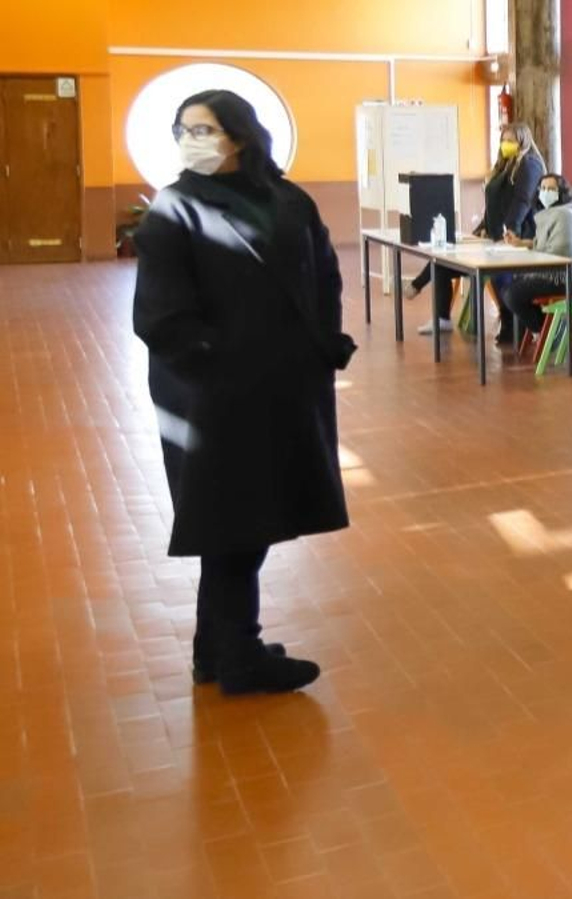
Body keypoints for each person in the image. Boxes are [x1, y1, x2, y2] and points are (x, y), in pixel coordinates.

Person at [132, 90, 356, 695]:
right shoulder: (173, 208)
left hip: (282, 389)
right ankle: (241, 655)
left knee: (246, 518)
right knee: (232, 519)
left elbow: (324, 275)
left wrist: (323, 342)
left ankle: (217, 648)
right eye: (182, 130)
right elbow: (159, 316)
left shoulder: (288, 200)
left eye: (203, 129)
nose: (190, 140)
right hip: (213, 396)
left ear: (239, 135)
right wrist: (218, 364)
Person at [408, 122, 545, 341]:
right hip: (494, 237)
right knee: (443, 262)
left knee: (500, 274)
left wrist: (511, 232)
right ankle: (441, 317)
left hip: (517, 237)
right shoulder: (504, 165)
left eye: (510, 140)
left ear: (522, 140)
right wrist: (483, 227)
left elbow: (522, 201)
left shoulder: (529, 164)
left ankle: (511, 323)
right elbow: (493, 203)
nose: (505, 144)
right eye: (503, 140)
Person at [499, 173, 572, 344]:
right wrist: (521, 243)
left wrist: (531, 260)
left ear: (562, 193)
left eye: (551, 189)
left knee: (512, 294)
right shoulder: (556, 213)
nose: (545, 192)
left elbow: (560, 256)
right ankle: (542, 330)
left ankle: (549, 332)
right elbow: (544, 244)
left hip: (568, 277)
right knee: (509, 288)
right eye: (543, 188)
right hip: (561, 274)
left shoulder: (565, 216)